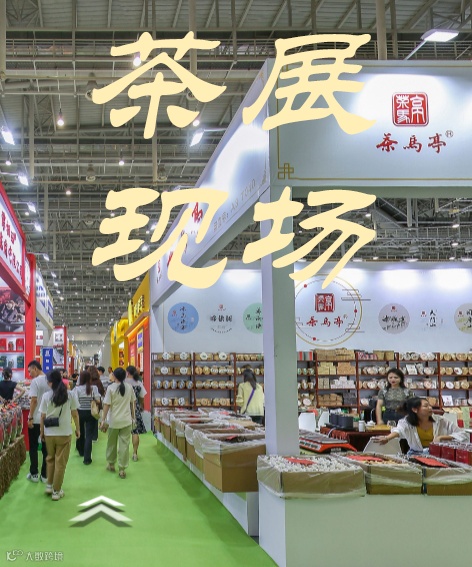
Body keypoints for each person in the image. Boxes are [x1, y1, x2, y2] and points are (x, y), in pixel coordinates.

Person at [375, 397, 469, 454]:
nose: (430, 408)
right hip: (415, 454)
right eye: (426, 406)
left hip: (437, 455)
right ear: (415, 410)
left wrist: (441, 437)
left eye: (429, 405)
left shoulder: (441, 420)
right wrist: (387, 438)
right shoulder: (406, 422)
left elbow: (463, 434)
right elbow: (398, 431)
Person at [39, 369, 80, 500]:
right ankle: (56, 491)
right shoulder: (70, 395)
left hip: (49, 433)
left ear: (51, 382)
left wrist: (41, 432)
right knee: (60, 463)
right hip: (64, 432)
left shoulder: (46, 396)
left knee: (50, 459)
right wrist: (78, 429)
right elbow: (75, 414)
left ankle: (49, 485)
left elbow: (42, 416)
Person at [100, 367, 136, 479]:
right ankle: (122, 469)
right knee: (124, 445)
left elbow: (107, 405)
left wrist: (103, 419)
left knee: (111, 443)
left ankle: (111, 464)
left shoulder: (111, 388)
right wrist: (133, 417)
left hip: (114, 421)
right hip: (126, 420)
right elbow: (133, 403)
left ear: (114, 376)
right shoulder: (129, 387)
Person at [26, 360, 49, 483]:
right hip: (48, 419)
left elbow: (34, 400)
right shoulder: (50, 380)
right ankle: (44, 475)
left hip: (35, 419)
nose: (29, 374)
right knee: (46, 448)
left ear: (35, 368)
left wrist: (30, 417)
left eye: (30, 371)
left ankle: (34, 473)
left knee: (33, 446)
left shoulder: (35, 382)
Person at [73, 370, 101, 465]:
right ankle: (87, 458)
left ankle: (81, 451)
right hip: (91, 413)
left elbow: (74, 401)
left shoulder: (77, 389)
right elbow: (98, 400)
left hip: (80, 413)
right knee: (89, 435)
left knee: (80, 432)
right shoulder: (94, 388)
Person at [125, 365, 147, 461]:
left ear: (127, 373)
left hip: (124, 409)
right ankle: (135, 453)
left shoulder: (123, 383)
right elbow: (142, 397)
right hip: (135, 409)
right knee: (135, 431)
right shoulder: (139, 383)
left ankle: (124, 452)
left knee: (123, 432)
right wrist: (141, 405)